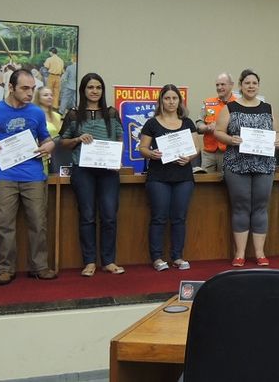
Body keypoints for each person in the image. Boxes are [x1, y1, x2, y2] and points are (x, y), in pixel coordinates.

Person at [0, 68, 57, 285]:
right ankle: (4, 269)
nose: (30, 93)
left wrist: (50, 145)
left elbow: (46, 139)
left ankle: (39, 267)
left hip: (34, 175)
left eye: (33, 89)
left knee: (38, 223)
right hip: (5, 176)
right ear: (10, 87)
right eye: (25, 88)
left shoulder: (36, 113)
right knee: (4, 224)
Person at [59, 73, 125, 276]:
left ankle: (108, 261)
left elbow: (120, 137)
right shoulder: (73, 114)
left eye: (98, 87)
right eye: (90, 87)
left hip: (108, 171)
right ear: (83, 90)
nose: (94, 91)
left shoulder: (112, 113)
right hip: (83, 170)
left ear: (102, 91)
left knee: (109, 216)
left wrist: (117, 159)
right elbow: (63, 142)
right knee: (87, 216)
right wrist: (78, 139)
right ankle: (89, 262)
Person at [214, 69, 279, 267]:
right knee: (241, 206)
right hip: (237, 163)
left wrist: (277, 141)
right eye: (247, 83)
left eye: (254, 83)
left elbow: (276, 132)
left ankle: (260, 253)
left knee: (260, 207)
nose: (251, 86)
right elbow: (218, 132)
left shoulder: (267, 108)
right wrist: (230, 139)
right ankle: (240, 254)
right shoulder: (230, 107)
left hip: (264, 164)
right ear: (241, 86)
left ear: (258, 86)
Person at [138, 85, 199, 271]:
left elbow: (198, 148)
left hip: (183, 177)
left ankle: (177, 257)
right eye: (167, 98)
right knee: (159, 218)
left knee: (179, 218)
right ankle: (157, 258)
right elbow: (142, 149)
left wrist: (190, 157)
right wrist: (151, 154)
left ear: (179, 101)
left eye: (174, 98)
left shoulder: (187, 122)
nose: (171, 102)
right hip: (158, 177)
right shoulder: (152, 123)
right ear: (161, 101)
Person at [196, 73, 237, 173]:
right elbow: (199, 123)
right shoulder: (208, 102)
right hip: (209, 152)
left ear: (231, 85)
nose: (219, 87)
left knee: (227, 182)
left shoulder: (238, 103)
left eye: (223, 84)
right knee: (206, 182)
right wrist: (206, 128)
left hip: (229, 151)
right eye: (217, 85)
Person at [34, 86, 62, 175]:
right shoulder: (34, 115)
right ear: (38, 98)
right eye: (45, 95)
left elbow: (61, 136)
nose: (50, 97)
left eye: (51, 95)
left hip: (56, 155)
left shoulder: (57, 116)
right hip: (40, 153)